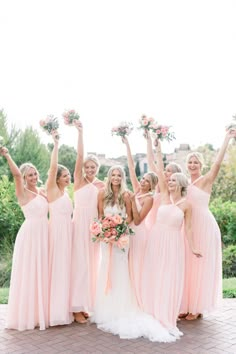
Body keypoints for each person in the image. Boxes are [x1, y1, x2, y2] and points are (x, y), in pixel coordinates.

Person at [92, 165, 177, 343]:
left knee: (121, 270)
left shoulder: (127, 195)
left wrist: (119, 229)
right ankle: (105, 308)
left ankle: (121, 308)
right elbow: (100, 216)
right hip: (106, 240)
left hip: (121, 240)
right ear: (109, 177)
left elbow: (131, 218)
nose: (116, 178)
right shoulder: (101, 194)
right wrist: (104, 231)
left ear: (122, 178)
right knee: (105, 267)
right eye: (113, 175)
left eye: (119, 175)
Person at [142, 139, 202, 337]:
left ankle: (167, 312)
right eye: (169, 180)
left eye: (174, 180)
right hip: (156, 240)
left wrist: (193, 248)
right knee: (155, 274)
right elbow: (159, 170)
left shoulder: (187, 205)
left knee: (169, 276)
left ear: (181, 184)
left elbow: (190, 229)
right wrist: (157, 147)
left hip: (174, 244)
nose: (169, 181)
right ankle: (151, 310)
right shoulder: (165, 197)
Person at [179, 129, 236, 320]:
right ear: (186, 165)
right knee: (187, 265)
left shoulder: (206, 180)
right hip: (187, 226)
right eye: (190, 162)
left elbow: (218, 163)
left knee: (200, 265)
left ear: (201, 165)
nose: (193, 164)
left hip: (204, 225)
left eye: (196, 162)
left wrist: (227, 139)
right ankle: (187, 304)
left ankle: (197, 307)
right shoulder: (184, 183)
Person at [0, 147, 49, 331]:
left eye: (35, 173)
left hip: (45, 234)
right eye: (29, 175)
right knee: (29, 273)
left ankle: (41, 312)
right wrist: (7, 155)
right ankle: (27, 315)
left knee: (42, 272)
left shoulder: (43, 191)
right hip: (30, 235)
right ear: (24, 177)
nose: (34, 177)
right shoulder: (23, 193)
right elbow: (16, 176)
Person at [70, 121, 104, 323]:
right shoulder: (79, 180)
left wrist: (102, 229)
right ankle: (76, 308)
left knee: (92, 265)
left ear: (97, 168)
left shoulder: (101, 185)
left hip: (93, 228)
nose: (90, 169)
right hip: (79, 225)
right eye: (87, 167)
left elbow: (101, 210)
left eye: (93, 167)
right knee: (80, 265)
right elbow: (80, 156)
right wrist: (81, 133)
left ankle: (86, 305)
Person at [121, 136, 158, 307]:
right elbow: (130, 168)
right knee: (127, 265)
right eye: (143, 179)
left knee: (136, 265)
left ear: (152, 186)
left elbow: (137, 221)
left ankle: (138, 301)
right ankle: (128, 298)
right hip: (128, 233)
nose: (143, 182)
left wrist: (131, 203)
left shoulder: (149, 199)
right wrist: (127, 143)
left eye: (147, 182)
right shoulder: (136, 190)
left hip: (139, 233)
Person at [46, 132, 73, 326]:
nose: (68, 178)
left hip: (67, 234)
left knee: (65, 270)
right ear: (57, 178)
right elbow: (53, 166)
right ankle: (54, 312)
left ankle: (64, 308)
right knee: (57, 269)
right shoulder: (52, 190)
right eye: (65, 176)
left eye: (68, 175)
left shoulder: (65, 192)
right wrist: (56, 144)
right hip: (56, 233)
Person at [145, 132, 182, 230]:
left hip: (166, 224)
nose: (165, 172)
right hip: (152, 221)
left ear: (175, 174)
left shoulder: (176, 190)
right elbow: (151, 161)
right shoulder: (159, 183)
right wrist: (149, 140)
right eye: (165, 170)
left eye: (168, 171)